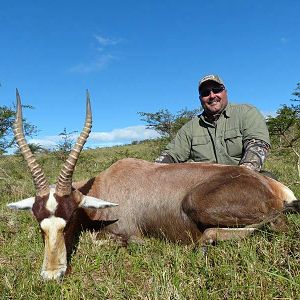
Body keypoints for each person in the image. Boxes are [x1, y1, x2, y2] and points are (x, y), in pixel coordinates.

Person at [155, 74, 273, 175]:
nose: (212, 96)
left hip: (244, 178)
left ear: (225, 92)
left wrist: (241, 177)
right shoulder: (190, 128)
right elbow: (170, 155)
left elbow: (258, 146)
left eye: (216, 90)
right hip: (205, 186)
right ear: (200, 98)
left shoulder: (246, 112)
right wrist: (153, 171)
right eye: (206, 93)